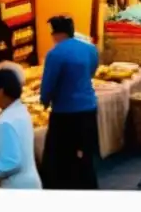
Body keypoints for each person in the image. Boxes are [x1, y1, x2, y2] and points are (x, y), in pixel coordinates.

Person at [39, 16, 100, 189]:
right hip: (88, 106)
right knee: (84, 151)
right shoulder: (89, 48)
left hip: (65, 112)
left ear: (56, 34)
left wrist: (44, 101)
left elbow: (49, 82)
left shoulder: (55, 54)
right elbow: (93, 69)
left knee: (59, 153)